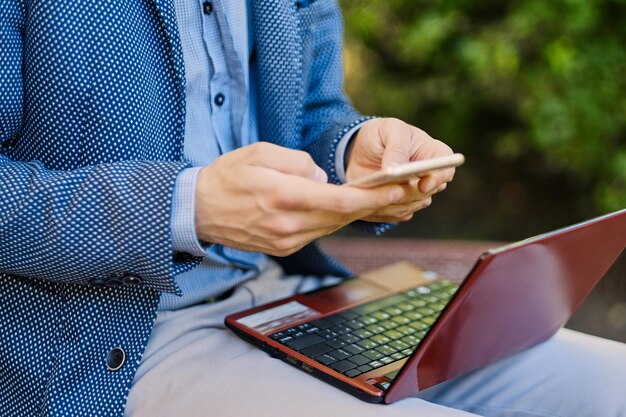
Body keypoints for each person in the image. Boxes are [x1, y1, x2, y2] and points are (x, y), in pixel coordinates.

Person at [0, 0, 624, 416]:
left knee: (612, 385)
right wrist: (185, 207)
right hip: (106, 335)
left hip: (292, 297)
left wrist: (356, 151)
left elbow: (314, 117)